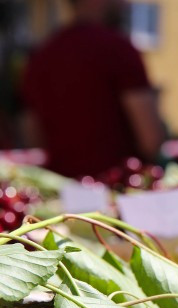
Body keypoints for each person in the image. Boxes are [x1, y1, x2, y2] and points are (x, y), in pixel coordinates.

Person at [21, 0, 163, 178]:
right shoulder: (119, 50)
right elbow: (151, 139)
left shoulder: (40, 56)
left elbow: (32, 136)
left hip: (63, 193)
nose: (125, 4)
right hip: (117, 189)